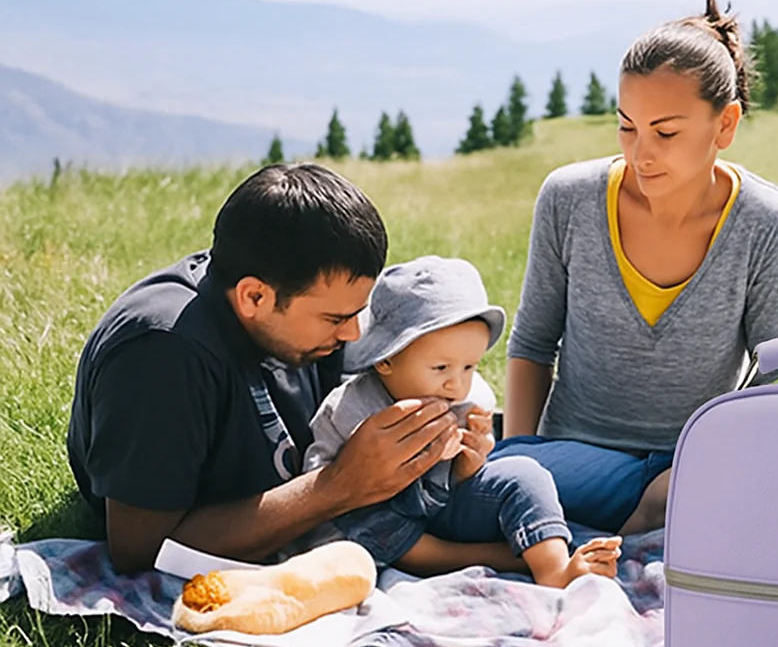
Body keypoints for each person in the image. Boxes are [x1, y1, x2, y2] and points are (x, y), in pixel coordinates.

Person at [68, 164, 501, 575]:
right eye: (335, 319)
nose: (354, 335)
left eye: (358, 312)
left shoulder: (307, 311)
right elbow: (141, 549)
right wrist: (337, 487)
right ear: (254, 298)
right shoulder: (162, 354)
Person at [494, 0, 778, 538]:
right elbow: (533, 344)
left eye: (665, 132)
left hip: (689, 466)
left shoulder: (763, 221)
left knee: (699, 498)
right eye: (626, 127)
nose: (642, 154)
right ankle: (630, 528)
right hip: (571, 463)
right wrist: (519, 468)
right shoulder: (568, 199)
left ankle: (637, 525)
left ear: (724, 125)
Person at [295, 255, 621, 586]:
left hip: (444, 508)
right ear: (386, 360)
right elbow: (325, 494)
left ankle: (554, 568)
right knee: (371, 527)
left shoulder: (463, 400)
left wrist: (470, 462)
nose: (457, 384)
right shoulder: (350, 411)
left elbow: (462, 483)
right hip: (381, 527)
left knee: (525, 473)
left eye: (469, 367)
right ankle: (496, 556)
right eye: (441, 368)